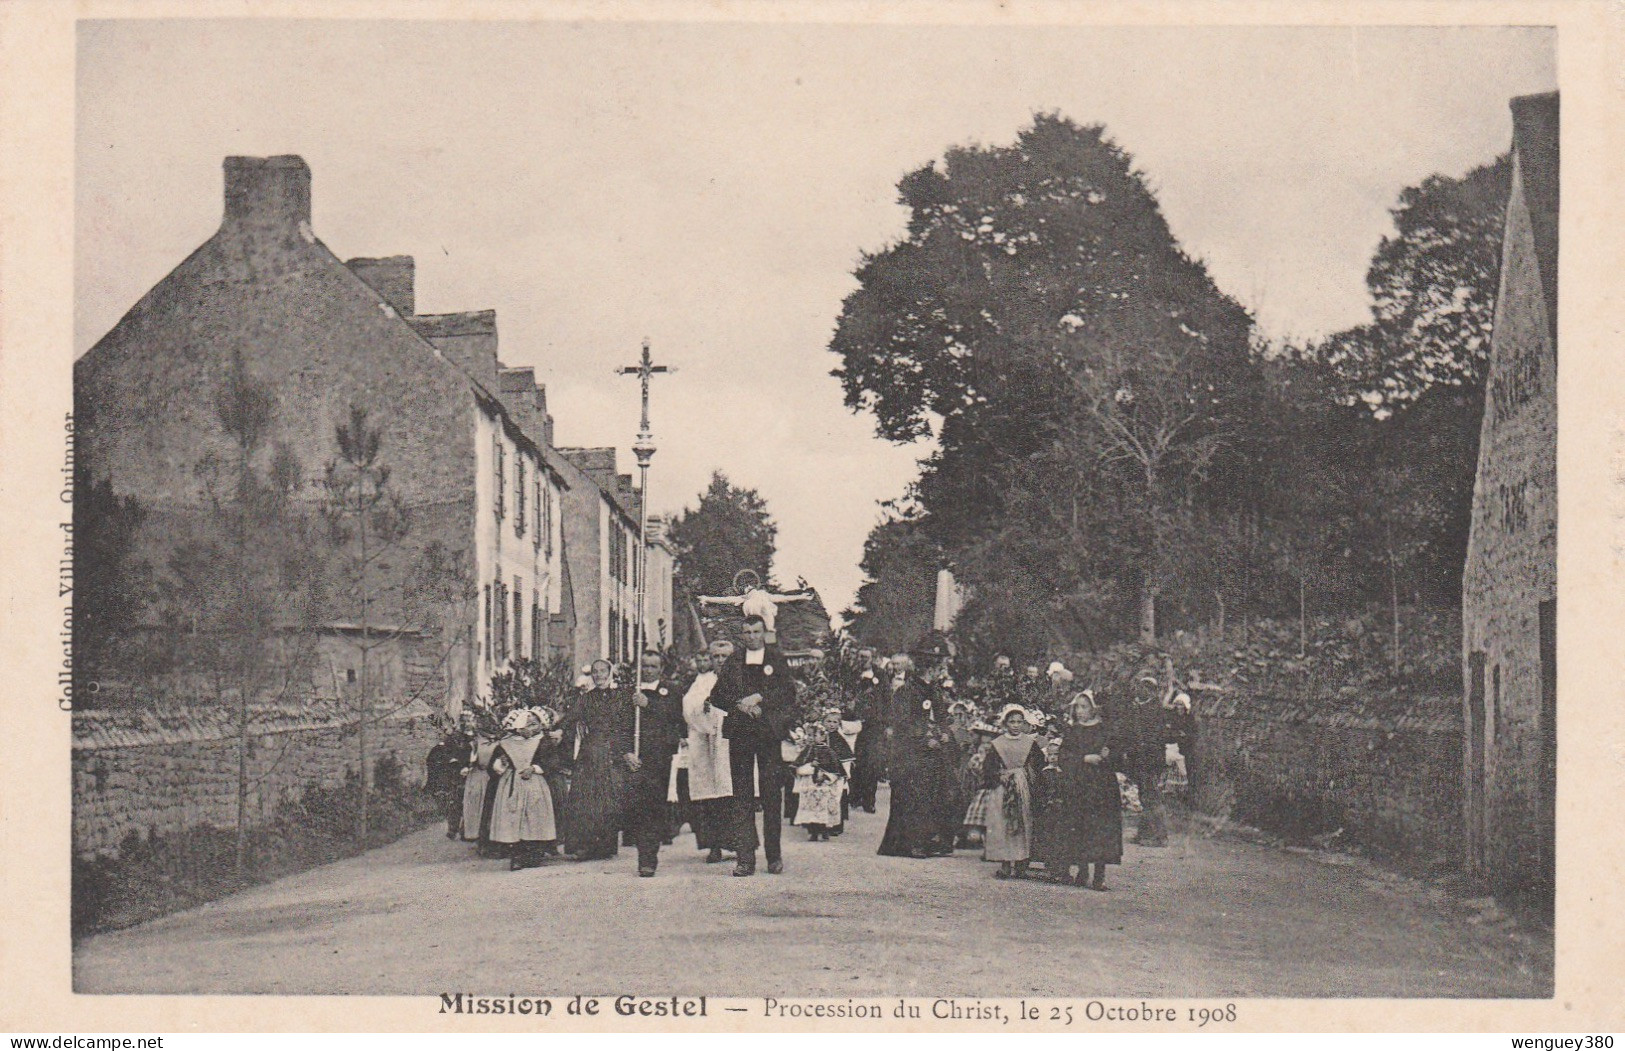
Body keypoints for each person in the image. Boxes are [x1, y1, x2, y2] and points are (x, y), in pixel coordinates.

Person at [710, 615, 797, 876]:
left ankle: (774, 856)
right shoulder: (734, 661)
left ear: (764, 632)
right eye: (746, 632)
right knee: (742, 796)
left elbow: (788, 693)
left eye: (756, 631)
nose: (751, 637)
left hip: (768, 734)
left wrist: (761, 698)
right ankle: (745, 857)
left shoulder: (776, 659)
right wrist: (739, 703)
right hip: (741, 733)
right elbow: (717, 695)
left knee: (771, 795)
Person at [1043, 690, 1123, 889]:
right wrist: (1084, 759)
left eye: (1084, 707)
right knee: (1079, 825)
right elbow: (1063, 757)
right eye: (1077, 707)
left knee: (1101, 828)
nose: (1079, 711)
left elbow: (1119, 757)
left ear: (1094, 708)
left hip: (1102, 786)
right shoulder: (1073, 731)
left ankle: (1099, 875)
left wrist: (1109, 755)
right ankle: (1082, 870)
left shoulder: (1106, 731)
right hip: (1079, 785)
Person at [557, 659, 635, 860]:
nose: (599, 675)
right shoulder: (586, 699)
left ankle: (606, 845)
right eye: (595, 672)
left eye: (603, 671)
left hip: (613, 751)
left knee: (608, 797)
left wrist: (626, 750)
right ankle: (586, 845)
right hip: (591, 751)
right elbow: (570, 718)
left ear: (610, 673)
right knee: (586, 797)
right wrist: (558, 729)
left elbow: (628, 725)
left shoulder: (622, 696)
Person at [877, 652, 951, 859]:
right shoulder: (906, 692)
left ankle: (929, 841)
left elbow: (941, 715)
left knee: (932, 795)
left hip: (932, 752)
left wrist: (944, 732)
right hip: (911, 754)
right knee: (912, 796)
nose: (941, 673)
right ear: (930, 670)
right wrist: (924, 739)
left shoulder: (934, 690)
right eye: (939, 669)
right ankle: (909, 844)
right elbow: (903, 723)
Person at [627, 650, 686, 877]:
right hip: (634, 757)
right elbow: (621, 725)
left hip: (658, 757)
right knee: (637, 807)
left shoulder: (671, 691)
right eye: (645, 666)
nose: (648, 670)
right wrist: (626, 752)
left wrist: (648, 705)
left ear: (661, 669)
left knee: (652, 807)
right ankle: (642, 848)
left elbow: (675, 719)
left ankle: (648, 858)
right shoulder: (630, 692)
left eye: (653, 666)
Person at [682, 641, 736, 863]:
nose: (719, 661)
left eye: (724, 656)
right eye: (716, 657)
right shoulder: (698, 683)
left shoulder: (737, 679)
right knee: (709, 796)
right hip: (704, 742)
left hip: (727, 744)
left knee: (731, 793)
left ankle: (736, 844)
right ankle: (713, 845)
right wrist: (703, 711)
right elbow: (688, 707)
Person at [487, 708, 562, 870]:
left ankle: (534, 853)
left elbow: (553, 762)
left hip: (535, 784)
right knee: (514, 819)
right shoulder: (507, 743)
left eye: (534, 725)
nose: (531, 729)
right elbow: (494, 767)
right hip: (512, 784)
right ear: (518, 726)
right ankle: (517, 855)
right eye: (527, 725)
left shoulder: (543, 741)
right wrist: (501, 763)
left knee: (534, 818)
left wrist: (535, 768)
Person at [981, 703, 1045, 879]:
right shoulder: (998, 743)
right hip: (1003, 788)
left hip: (1022, 785)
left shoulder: (1030, 743)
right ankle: (1005, 864)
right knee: (1004, 823)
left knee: (1023, 822)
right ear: (1005, 723)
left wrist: (1027, 774)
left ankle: (1021, 863)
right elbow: (988, 767)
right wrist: (998, 775)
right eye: (1012, 722)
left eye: (1019, 722)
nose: (1015, 725)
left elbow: (1039, 764)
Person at [1114, 668, 1174, 848]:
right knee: (1145, 796)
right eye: (1141, 687)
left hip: (1151, 760)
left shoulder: (1156, 711)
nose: (1141, 690)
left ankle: (1160, 836)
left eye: (1145, 688)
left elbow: (1155, 738)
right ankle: (1145, 833)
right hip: (1140, 760)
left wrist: (1144, 751)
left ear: (1151, 691)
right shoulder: (1140, 708)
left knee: (1151, 796)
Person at [846, 647, 889, 813]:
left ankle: (869, 800)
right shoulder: (852, 674)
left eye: (866, 657)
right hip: (855, 722)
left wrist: (885, 723)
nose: (863, 660)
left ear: (873, 658)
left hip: (874, 725)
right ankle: (855, 796)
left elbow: (886, 699)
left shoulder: (881, 675)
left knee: (872, 762)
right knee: (855, 760)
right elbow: (847, 694)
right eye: (860, 657)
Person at [791, 722, 848, 841]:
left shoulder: (829, 751)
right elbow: (797, 766)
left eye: (814, 735)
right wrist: (810, 766)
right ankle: (813, 832)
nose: (811, 738)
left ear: (823, 736)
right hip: (810, 785)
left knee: (824, 807)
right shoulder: (808, 750)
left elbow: (837, 770)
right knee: (811, 808)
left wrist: (826, 776)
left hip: (825, 785)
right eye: (809, 735)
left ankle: (824, 830)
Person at [426, 718, 471, 840]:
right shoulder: (447, 742)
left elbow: (471, 754)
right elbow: (442, 757)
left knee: (467, 802)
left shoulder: (468, 740)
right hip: (454, 775)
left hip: (468, 773)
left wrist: (467, 766)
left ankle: (465, 830)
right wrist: (451, 761)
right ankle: (453, 829)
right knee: (454, 802)